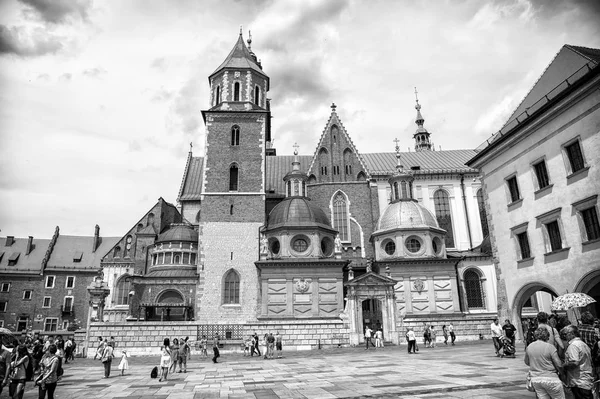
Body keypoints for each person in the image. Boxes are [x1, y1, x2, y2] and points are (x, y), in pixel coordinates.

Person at [524, 327, 564, 399]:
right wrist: (563, 374)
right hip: (551, 378)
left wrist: (536, 363)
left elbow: (526, 362)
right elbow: (559, 364)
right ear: (547, 336)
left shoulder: (529, 346)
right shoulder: (550, 347)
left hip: (536, 379)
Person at [562, 325, 594, 399]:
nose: (565, 336)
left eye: (566, 334)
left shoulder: (573, 346)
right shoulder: (583, 344)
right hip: (585, 380)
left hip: (578, 381)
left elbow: (574, 362)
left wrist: (564, 366)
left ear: (572, 333)